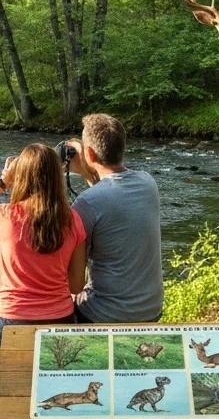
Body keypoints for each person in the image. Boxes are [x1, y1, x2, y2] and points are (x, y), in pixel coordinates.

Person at [0, 143, 87, 419]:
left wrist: (2, 182)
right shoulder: (73, 220)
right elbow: (76, 286)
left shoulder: (5, 214)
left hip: (12, 326)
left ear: (22, 177)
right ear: (56, 177)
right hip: (60, 322)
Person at [68, 113, 163, 323]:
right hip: (151, 310)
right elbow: (110, 198)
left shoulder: (85, 204)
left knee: (66, 299)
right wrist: (88, 172)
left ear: (89, 154)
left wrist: (78, 168)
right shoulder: (148, 183)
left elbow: (74, 285)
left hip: (104, 315)